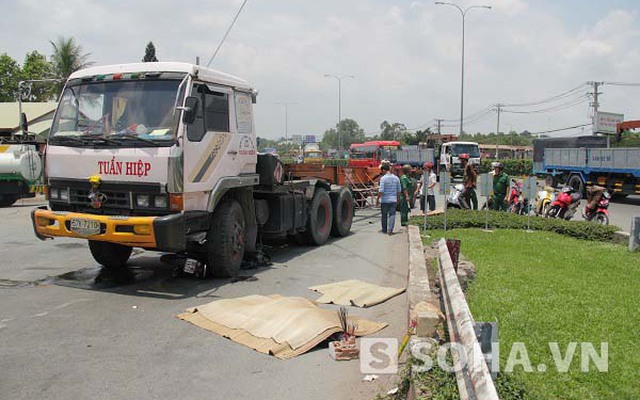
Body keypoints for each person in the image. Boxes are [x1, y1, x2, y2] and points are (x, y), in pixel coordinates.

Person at [377, 162, 401, 235]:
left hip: (385, 200)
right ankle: (390, 230)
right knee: (392, 214)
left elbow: (381, 190)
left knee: (384, 215)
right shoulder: (396, 178)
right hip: (393, 200)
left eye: (382, 171)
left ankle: (384, 230)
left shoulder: (383, 179)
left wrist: (378, 199)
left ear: (384, 170)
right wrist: (398, 199)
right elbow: (399, 190)